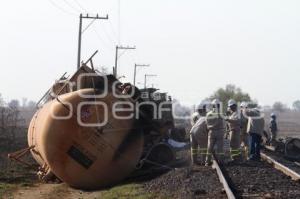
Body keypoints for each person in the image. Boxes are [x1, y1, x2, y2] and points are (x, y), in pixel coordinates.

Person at [205, 99, 225, 166]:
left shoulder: (208, 114)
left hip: (211, 132)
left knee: (209, 147)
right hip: (219, 132)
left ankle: (207, 162)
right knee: (220, 148)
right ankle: (221, 162)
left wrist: (211, 127)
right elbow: (223, 124)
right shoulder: (221, 114)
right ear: (219, 106)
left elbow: (207, 125)